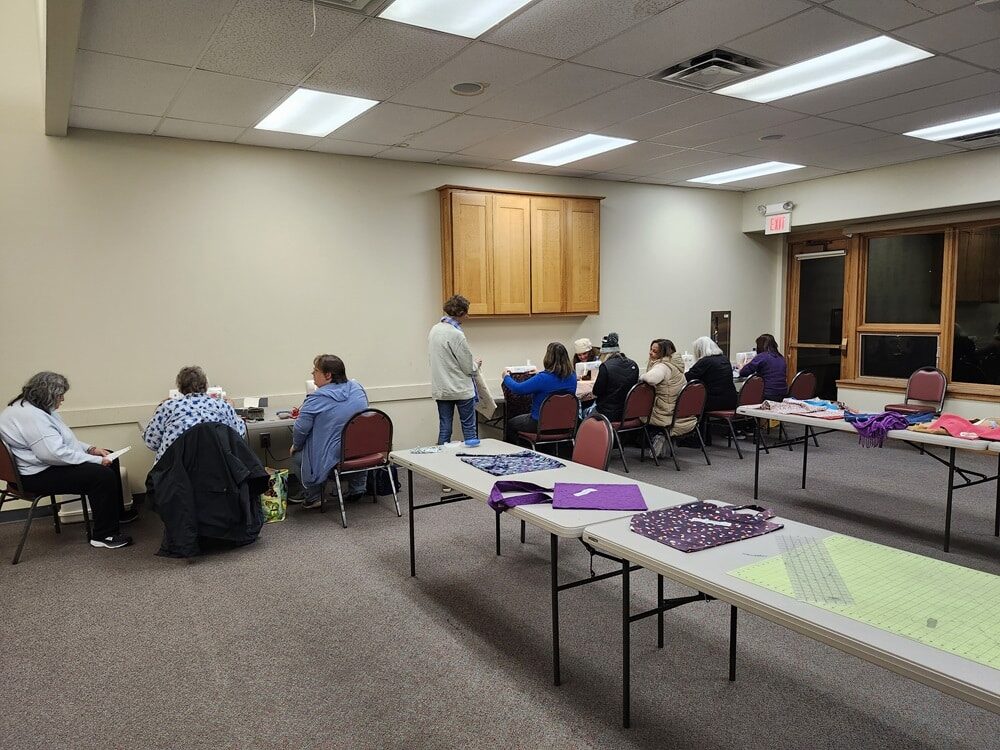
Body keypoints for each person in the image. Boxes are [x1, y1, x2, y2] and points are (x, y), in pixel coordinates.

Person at [0, 372, 133, 550]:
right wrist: (93, 460)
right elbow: (53, 454)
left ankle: (116, 515)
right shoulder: (32, 417)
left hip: (35, 467)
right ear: (48, 394)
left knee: (108, 456)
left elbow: (61, 440)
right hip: (34, 476)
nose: (62, 399)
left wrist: (91, 450)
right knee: (102, 476)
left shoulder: (31, 407)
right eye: (60, 395)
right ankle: (103, 535)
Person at [290, 354, 369, 509]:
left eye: (315, 370)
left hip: (335, 455)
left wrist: (296, 446)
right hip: (363, 450)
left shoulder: (315, 399)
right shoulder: (357, 388)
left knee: (298, 456)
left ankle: (313, 497)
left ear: (328, 375)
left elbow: (300, 430)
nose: (312, 374)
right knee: (354, 444)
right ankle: (357, 488)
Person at [143, 365, 247, 463]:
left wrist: (160, 407)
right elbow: (238, 435)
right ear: (206, 385)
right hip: (218, 473)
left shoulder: (167, 407)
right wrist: (231, 408)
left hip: (174, 476)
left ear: (179, 388)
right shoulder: (223, 406)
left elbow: (151, 443)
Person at [429, 294, 481, 445]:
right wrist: (476, 364)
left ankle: (440, 463)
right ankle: (473, 463)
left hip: (442, 389)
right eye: (466, 313)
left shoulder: (434, 330)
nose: (468, 316)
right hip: (461, 389)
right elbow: (468, 367)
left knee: (445, 429)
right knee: (469, 429)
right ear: (460, 313)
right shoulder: (456, 334)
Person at [502, 342, 577, 442]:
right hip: (565, 425)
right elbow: (555, 380)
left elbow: (518, 389)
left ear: (548, 358)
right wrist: (539, 373)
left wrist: (506, 377)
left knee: (511, 424)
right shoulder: (573, 376)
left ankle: (519, 454)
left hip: (540, 424)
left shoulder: (542, 379)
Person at [640, 339, 696, 458]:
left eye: (654, 351)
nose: (650, 353)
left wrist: (641, 377)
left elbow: (651, 379)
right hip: (680, 411)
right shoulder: (676, 365)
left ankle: (659, 435)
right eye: (650, 349)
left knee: (639, 413)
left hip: (665, 413)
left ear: (663, 354)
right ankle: (662, 437)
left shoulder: (663, 366)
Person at [591, 333, 639, 422]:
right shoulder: (633, 364)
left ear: (603, 354)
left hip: (608, 413)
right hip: (629, 412)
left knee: (584, 413)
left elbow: (596, 392)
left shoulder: (605, 367)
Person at [687, 336, 738, 413]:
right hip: (731, 400)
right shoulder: (724, 359)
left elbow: (688, 377)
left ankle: (696, 424)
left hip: (714, 402)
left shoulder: (705, 361)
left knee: (689, 401)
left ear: (700, 350)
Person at [739, 334, 788, 401]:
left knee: (742, 396)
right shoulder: (781, 357)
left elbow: (743, 372)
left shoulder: (762, 356)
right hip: (783, 394)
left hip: (768, 395)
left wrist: (742, 366)